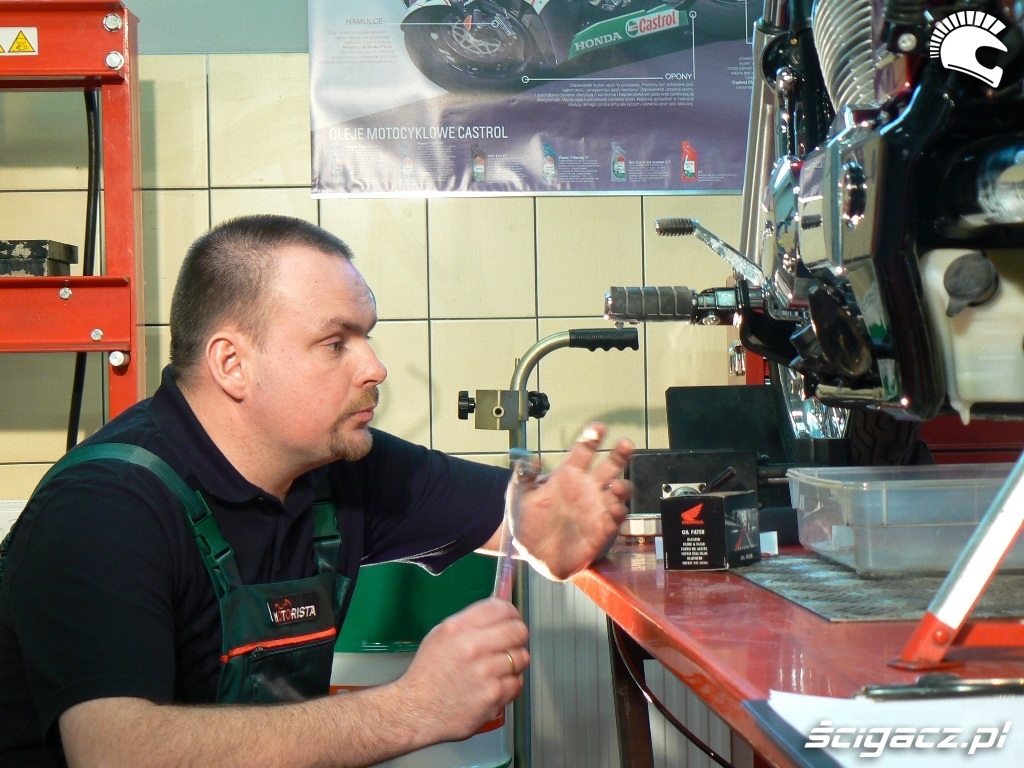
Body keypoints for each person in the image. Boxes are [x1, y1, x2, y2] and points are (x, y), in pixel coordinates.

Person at [0, 214, 634, 768]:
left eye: (366, 337)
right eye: (336, 344)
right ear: (232, 364)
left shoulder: (342, 465)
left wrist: (554, 525)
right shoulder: (104, 508)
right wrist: (413, 708)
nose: (375, 367)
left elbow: (527, 525)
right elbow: (116, 753)